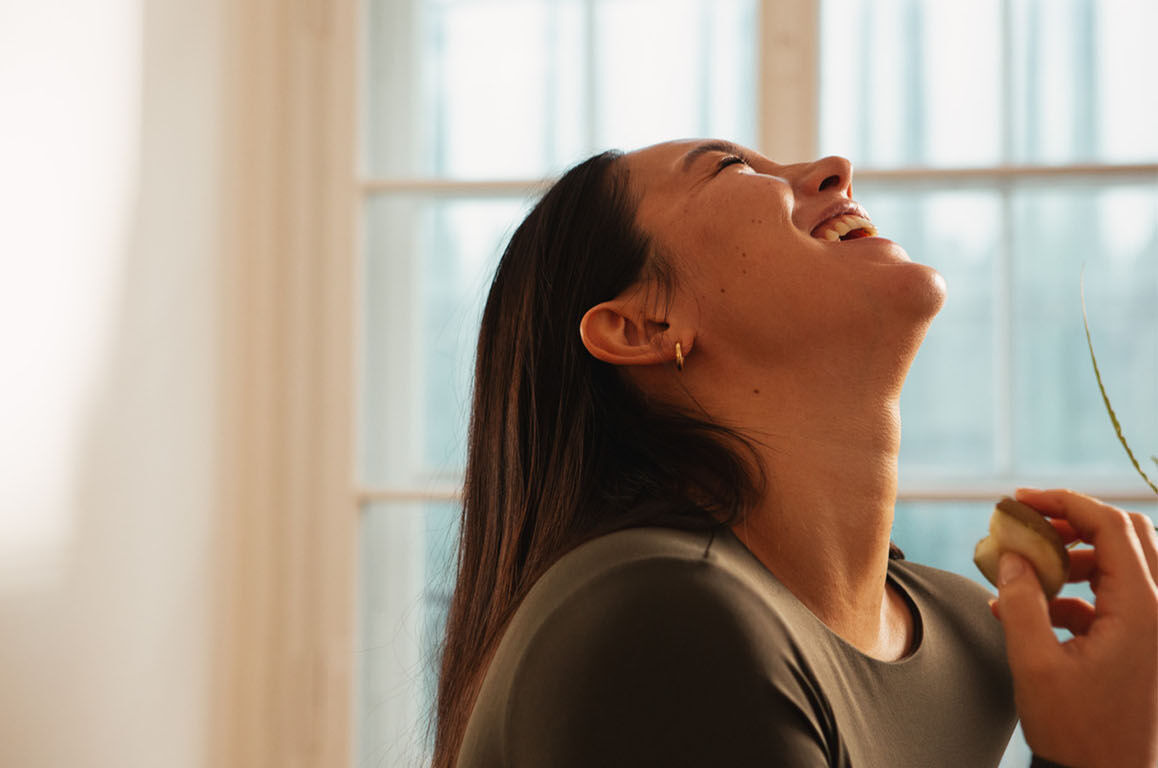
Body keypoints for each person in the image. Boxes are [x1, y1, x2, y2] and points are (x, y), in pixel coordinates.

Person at [428, 140, 1158, 767]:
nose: (835, 168)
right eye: (729, 167)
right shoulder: (658, 620)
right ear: (644, 325)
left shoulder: (972, 634)